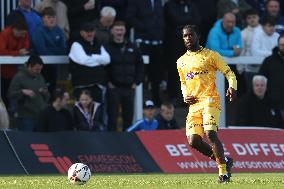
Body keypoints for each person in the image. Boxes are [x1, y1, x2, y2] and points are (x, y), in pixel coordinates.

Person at [178, 25, 237, 183]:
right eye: (185, 36)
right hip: (194, 104)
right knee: (193, 141)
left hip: (210, 99)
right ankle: (224, 160)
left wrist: (232, 86)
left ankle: (223, 173)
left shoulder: (211, 55)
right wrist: (185, 96)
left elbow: (229, 73)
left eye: (191, 35)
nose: (188, 38)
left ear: (198, 36)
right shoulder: (181, 61)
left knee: (210, 133)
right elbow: (184, 83)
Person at [106, 21, 144, 131]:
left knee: (128, 118)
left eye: (121, 29)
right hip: (114, 88)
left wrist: (136, 82)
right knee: (112, 117)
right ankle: (111, 141)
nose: (119, 32)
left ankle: (128, 142)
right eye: (117, 30)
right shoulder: (107, 47)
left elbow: (140, 65)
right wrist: (108, 82)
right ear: (112, 31)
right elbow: (103, 67)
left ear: (125, 31)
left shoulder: (133, 47)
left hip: (129, 88)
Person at [126, 0, 165, 106]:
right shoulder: (137, 2)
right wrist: (144, 27)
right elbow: (129, 17)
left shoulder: (158, 2)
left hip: (158, 42)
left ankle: (156, 99)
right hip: (143, 42)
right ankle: (142, 100)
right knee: (142, 72)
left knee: (156, 74)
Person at [164, 0, 201, 105]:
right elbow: (174, 19)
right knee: (174, 70)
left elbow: (197, 20)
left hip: (189, 44)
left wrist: (183, 24)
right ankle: (173, 96)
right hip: (173, 43)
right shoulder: (169, 5)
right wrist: (187, 23)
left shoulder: (191, 4)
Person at [69, 21, 110, 103]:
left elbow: (107, 60)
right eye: (87, 31)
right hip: (82, 86)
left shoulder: (98, 44)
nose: (90, 33)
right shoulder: (76, 45)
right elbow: (83, 60)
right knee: (83, 113)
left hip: (97, 86)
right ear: (81, 33)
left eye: (92, 31)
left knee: (97, 113)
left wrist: (91, 57)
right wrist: (99, 61)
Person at [8, 55, 50, 131]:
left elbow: (47, 97)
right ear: (30, 66)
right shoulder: (19, 77)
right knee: (25, 141)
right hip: (26, 118)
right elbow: (10, 94)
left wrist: (45, 92)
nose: (39, 72)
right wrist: (22, 92)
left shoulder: (40, 76)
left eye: (40, 69)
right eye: (37, 69)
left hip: (40, 116)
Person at [32, 7, 67, 94]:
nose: (52, 20)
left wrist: (50, 49)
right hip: (41, 68)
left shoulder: (58, 30)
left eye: (53, 17)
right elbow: (42, 51)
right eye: (49, 17)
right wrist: (56, 50)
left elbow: (63, 49)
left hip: (56, 67)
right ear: (43, 18)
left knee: (54, 90)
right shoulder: (38, 31)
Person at [0, 19, 29, 107]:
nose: (23, 36)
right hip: (4, 71)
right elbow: (1, 52)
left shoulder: (25, 34)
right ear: (15, 30)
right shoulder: (5, 34)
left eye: (24, 34)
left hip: (17, 70)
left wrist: (17, 53)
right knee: (5, 93)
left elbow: (25, 48)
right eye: (22, 34)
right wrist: (17, 53)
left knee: (15, 92)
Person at [259, 34, 284, 120]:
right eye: (282, 45)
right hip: (273, 104)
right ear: (278, 45)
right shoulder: (269, 61)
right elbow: (261, 80)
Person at [237, 9, 262, 91]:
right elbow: (241, 51)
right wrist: (240, 68)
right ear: (246, 20)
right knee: (251, 92)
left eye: (254, 17)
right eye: (249, 18)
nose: (252, 19)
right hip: (249, 69)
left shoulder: (265, 31)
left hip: (264, 67)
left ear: (258, 18)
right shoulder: (243, 33)